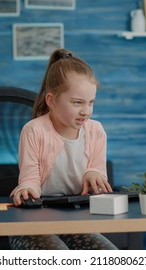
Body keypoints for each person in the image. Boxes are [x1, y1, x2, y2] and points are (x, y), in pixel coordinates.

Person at [9, 48, 117, 250]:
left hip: (75, 218)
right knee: (57, 256)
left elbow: (97, 169)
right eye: (77, 103)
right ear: (51, 100)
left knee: (109, 255)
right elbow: (30, 177)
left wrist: (94, 174)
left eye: (91, 102)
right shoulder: (33, 130)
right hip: (33, 219)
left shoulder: (96, 131)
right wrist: (28, 189)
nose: (86, 111)